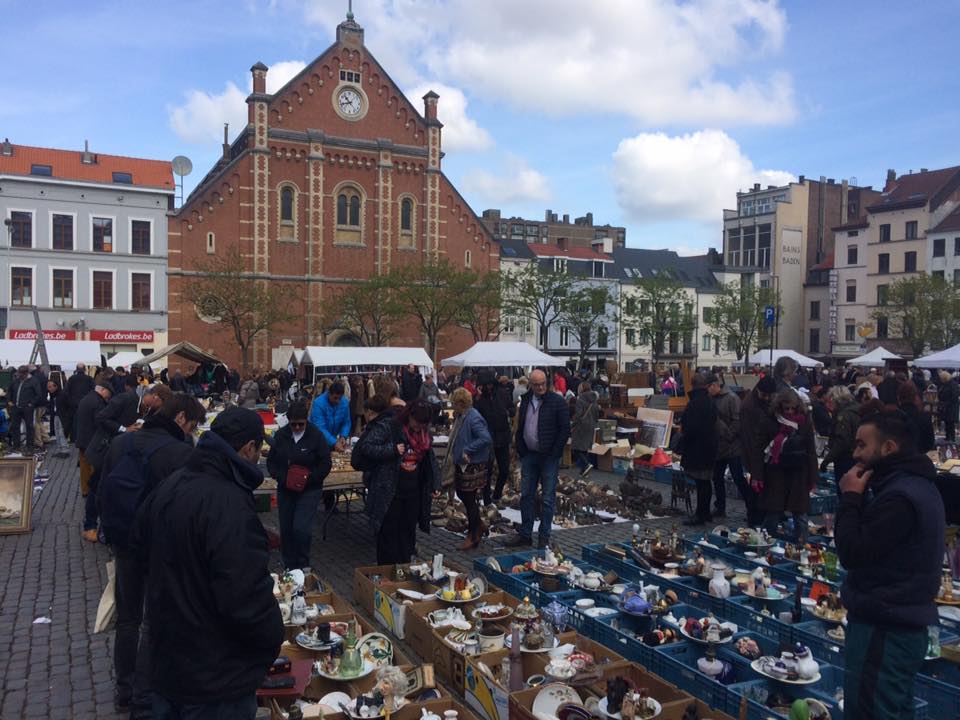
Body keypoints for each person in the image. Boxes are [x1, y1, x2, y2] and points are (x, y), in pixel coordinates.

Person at [131, 407, 283, 720]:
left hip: (170, 659)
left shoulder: (173, 483)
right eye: (258, 450)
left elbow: (138, 549)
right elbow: (244, 597)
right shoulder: (227, 503)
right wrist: (270, 641)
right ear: (248, 449)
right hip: (215, 677)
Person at [99, 393, 204, 717]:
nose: (194, 431)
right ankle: (149, 688)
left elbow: (101, 488)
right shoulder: (179, 452)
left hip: (123, 540)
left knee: (128, 617)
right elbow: (185, 506)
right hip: (158, 545)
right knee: (153, 619)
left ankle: (125, 688)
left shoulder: (122, 442)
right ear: (182, 419)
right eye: (194, 424)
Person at [836, 412, 945, 719]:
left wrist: (851, 498)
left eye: (861, 445)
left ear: (888, 448)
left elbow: (852, 551)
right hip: (898, 622)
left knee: (869, 711)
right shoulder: (913, 486)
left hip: (885, 626)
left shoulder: (899, 497)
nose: (855, 453)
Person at [352, 399, 437, 563]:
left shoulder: (424, 434)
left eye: (423, 425)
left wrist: (434, 482)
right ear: (410, 416)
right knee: (388, 535)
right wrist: (391, 450)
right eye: (417, 423)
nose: (419, 428)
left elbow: (429, 459)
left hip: (413, 492)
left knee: (407, 534)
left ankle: (403, 573)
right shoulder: (389, 426)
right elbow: (367, 447)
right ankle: (386, 573)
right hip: (390, 491)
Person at [506, 369, 570, 548]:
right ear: (531, 385)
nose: (540, 387)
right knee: (526, 495)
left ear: (547, 383)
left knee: (548, 498)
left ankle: (544, 537)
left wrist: (556, 452)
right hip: (529, 455)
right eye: (536, 385)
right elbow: (520, 425)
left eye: (543, 384)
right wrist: (521, 448)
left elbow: (565, 428)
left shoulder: (557, 402)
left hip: (549, 457)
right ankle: (525, 533)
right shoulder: (526, 400)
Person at [267, 399, 332, 570]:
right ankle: (289, 565)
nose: (296, 428)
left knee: (301, 528)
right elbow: (272, 462)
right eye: (293, 424)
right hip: (286, 489)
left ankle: (303, 564)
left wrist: (309, 479)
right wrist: (282, 477)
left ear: (306, 421)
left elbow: (325, 463)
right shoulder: (281, 435)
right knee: (287, 530)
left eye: (300, 424)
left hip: (309, 490)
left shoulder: (316, 436)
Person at [83, 374, 143, 541]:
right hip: (104, 450)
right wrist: (123, 429)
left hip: (118, 451)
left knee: (108, 489)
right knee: (96, 487)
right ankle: (89, 526)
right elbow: (101, 417)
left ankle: (104, 526)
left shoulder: (140, 404)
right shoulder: (125, 399)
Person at [762, 391, 818, 540]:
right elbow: (760, 446)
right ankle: (768, 541)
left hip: (799, 471)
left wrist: (813, 478)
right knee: (773, 511)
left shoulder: (804, 421)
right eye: (786, 409)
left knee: (800, 513)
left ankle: (803, 544)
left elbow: (811, 450)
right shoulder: (772, 421)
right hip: (777, 471)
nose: (789, 412)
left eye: (792, 408)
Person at [707, 373, 759, 524]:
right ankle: (720, 506)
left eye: (708, 388)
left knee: (738, 478)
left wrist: (729, 435)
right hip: (719, 446)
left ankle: (752, 508)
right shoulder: (712, 398)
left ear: (714, 386)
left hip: (733, 446)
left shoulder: (731, 398)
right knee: (717, 477)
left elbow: (737, 420)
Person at [446, 388, 492, 550]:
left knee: (469, 498)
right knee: (464, 495)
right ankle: (478, 525)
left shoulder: (473, 418)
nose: (452, 407)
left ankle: (473, 534)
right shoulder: (462, 417)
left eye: (454, 404)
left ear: (460, 404)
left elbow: (485, 438)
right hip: (464, 463)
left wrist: (468, 450)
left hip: (472, 464)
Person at [679, 373, 719, 526]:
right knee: (705, 482)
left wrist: (684, 440)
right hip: (709, 446)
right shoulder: (709, 401)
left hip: (698, 448)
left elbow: (691, 427)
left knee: (701, 483)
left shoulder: (696, 403)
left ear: (692, 384)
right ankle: (705, 512)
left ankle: (700, 514)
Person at [740, 377, 780, 522]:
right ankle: (754, 517)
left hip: (764, 452)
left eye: (770, 395)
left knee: (761, 488)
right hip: (755, 452)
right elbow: (750, 436)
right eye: (765, 395)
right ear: (758, 391)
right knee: (755, 488)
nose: (767, 398)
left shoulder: (763, 402)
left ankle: (759, 515)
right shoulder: (749, 407)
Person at [75, 378, 113, 517]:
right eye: (108, 394)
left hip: (82, 438)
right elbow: (100, 421)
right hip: (92, 440)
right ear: (103, 390)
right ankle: (92, 490)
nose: (108, 397)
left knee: (84, 466)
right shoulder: (98, 402)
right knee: (93, 467)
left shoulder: (86, 398)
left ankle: (85, 489)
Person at [475, 373, 515, 502]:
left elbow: (511, 408)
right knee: (488, 471)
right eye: (486, 385)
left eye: (490, 384)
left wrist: (507, 412)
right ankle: (487, 498)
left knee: (504, 469)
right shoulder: (480, 399)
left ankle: (497, 495)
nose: (489, 387)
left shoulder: (502, 394)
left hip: (502, 436)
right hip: (488, 438)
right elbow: (475, 415)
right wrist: (477, 397)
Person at [821, 385, 861, 486]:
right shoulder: (857, 410)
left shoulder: (843, 415)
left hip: (845, 458)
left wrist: (827, 460)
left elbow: (842, 441)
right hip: (858, 456)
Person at [570, 381, 599, 479]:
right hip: (591, 426)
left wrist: (573, 424)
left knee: (576, 447)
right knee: (584, 448)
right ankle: (584, 471)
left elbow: (578, 415)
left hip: (581, 426)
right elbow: (596, 415)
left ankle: (586, 464)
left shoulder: (580, 400)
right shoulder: (594, 400)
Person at [8, 365, 41, 450]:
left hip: (27, 408)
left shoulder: (34, 381)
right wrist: (9, 401)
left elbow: (38, 394)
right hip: (16, 407)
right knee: (15, 427)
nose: (19, 376)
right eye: (18, 374)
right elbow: (10, 390)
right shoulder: (16, 381)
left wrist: (31, 404)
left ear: (26, 373)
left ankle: (29, 446)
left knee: (29, 427)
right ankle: (16, 445)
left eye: (21, 374)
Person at [897, 381, 935, 454]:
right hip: (918, 457)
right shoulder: (925, 417)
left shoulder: (892, 417)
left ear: (898, 398)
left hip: (897, 460)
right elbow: (930, 443)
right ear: (915, 398)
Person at [64, 362, 94, 441]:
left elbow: (66, 391)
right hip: (86, 403)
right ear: (84, 369)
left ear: (76, 369)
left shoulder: (71, 378)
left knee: (74, 421)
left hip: (73, 403)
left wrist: (69, 401)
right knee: (86, 421)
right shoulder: (89, 379)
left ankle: (74, 438)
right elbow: (93, 390)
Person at [45, 378, 69, 457]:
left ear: (56, 387)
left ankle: (64, 450)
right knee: (57, 432)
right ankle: (61, 449)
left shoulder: (62, 395)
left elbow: (67, 406)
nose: (49, 389)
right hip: (56, 415)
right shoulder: (53, 395)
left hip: (62, 416)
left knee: (61, 432)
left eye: (51, 387)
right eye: (48, 387)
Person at [938, 371, 959, 442]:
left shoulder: (953, 384)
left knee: (951, 423)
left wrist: (946, 403)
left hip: (951, 406)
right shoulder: (944, 384)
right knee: (947, 422)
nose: (940, 380)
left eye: (941, 378)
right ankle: (947, 437)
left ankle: (952, 438)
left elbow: (955, 396)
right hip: (946, 406)